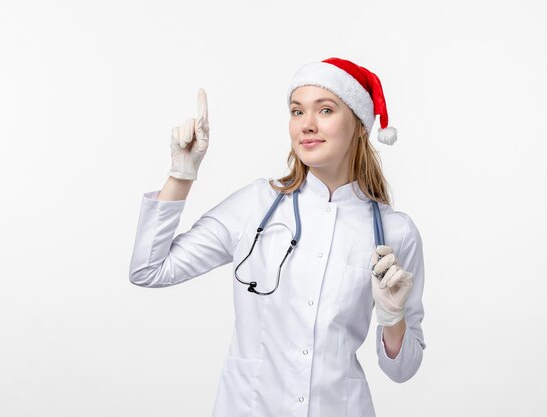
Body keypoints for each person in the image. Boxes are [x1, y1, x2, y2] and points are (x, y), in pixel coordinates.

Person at [129, 57, 426, 417]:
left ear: (360, 125)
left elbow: (403, 370)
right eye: (297, 112)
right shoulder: (256, 205)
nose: (307, 125)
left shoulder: (394, 232)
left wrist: (393, 319)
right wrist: (182, 172)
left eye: (326, 110)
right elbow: (149, 270)